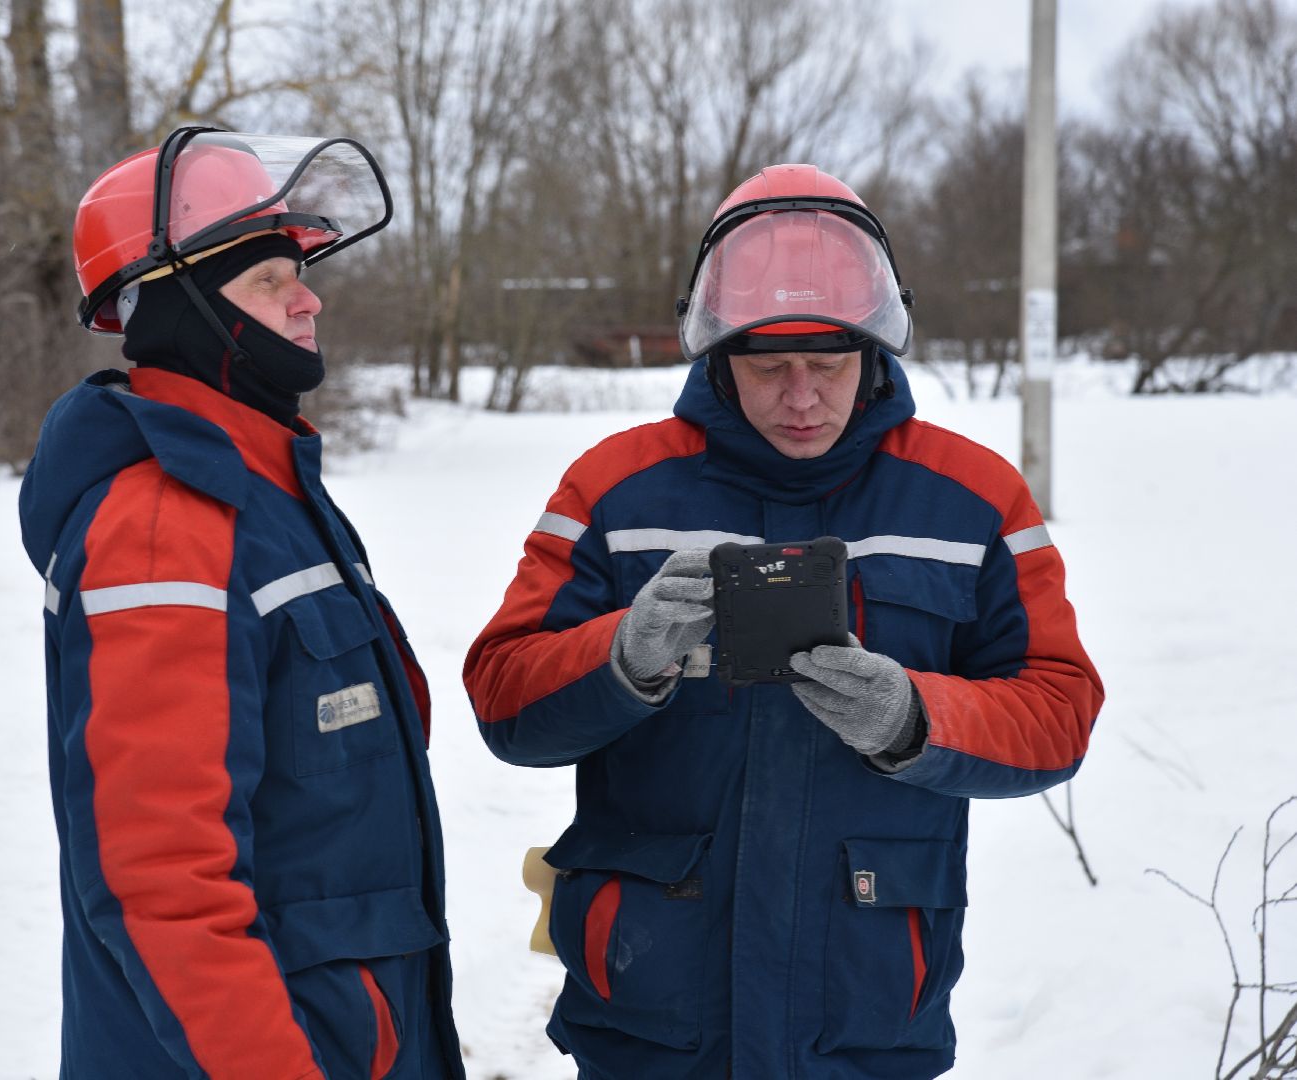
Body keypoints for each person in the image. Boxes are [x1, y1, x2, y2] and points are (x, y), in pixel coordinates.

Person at [462, 163, 1102, 1078]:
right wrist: (624, 654)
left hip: (867, 1013)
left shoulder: (972, 499)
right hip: (651, 1014)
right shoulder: (614, 488)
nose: (800, 398)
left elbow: (1060, 709)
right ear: (719, 355)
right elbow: (501, 697)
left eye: (829, 365)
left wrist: (915, 718)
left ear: (874, 351)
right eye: (769, 368)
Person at [19, 127, 465, 1079]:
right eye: (270, 280)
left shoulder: (270, 492)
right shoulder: (166, 524)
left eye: (300, 271)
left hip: (355, 1031)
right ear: (189, 311)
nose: (310, 299)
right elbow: (164, 885)